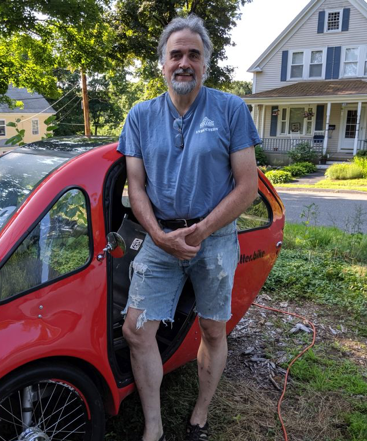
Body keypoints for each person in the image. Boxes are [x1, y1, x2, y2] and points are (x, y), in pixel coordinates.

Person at [117, 14, 261, 441]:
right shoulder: (140, 115)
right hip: (160, 238)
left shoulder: (230, 108)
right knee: (136, 330)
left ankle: (199, 416)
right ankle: (154, 427)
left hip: (213, 239)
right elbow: (136, 186)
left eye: (193, 55)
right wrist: (160, 236)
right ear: (161, 63)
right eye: (175, 54)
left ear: (205, 64)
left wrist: (198, 232)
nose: (184, 62)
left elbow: (247, 186)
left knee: (214, 328)